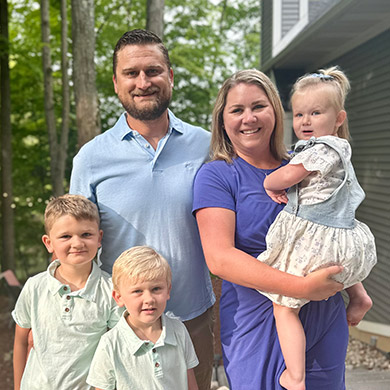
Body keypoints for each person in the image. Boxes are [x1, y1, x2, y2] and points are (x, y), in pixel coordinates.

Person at [69, 29, 215, 390]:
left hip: (193, 319)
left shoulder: (206, 145)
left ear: (170, 76)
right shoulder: (91, 159)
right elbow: (74, 250)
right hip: (120, 330)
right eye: (131, 73)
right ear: (116, 83)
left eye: (153, 71)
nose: (143, 82)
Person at [193, 69, 350, 390]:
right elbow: (220, 259)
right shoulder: (217, 176)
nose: (248, 118)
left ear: (276, 112)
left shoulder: (302, 165)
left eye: (258, 106)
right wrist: (302, 288)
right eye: (237, 110)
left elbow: (341, 221)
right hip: (257, 320)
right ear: (222, 121)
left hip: (323, 316)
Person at [255, 66, 376, 390]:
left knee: (283, 306)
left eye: (316, 113)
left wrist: (269, 181)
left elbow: (285, 177)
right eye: (299, 114)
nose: (305, 121)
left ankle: (294, 376)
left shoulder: (322, 150)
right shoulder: (340, 150)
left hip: (319, 235)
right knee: (336, 268)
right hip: (343, 234)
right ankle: (359, 294)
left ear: (338, 119)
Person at [12, 194, 123, 390]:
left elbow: (115, 351)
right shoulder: (34, 287)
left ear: (99, 238)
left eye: (86, 234)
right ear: (48, 243)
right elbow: (21, 342)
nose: (77, 243)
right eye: (65, 236)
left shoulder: (111, 290)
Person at [87, 246, 199, 390]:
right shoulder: (110, 343)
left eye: (156, 289)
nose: (149, 299)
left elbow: (190, 382)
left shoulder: (178, 330)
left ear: (168, 290)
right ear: (119, 297)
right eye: (137, 291)